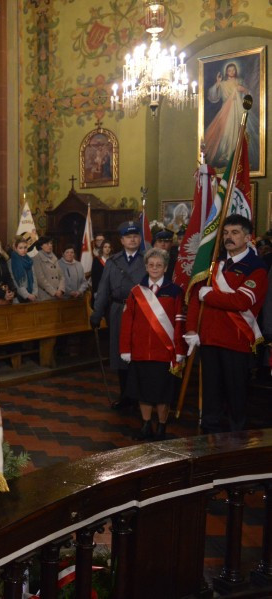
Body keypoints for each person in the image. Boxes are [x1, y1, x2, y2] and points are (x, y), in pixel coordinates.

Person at [184, 214, 267, 433]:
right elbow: (195, 299)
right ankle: (209, 433)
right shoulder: (213, 263)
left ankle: (236, 436)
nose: (229, 237)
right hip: (209, 338)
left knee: (235, 391)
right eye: (226, 233)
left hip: (235, 340)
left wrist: (209, 295)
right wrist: (191, 329)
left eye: (235, 233)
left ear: (247, 238)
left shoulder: (256, 267)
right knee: (210, 390)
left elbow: (241, 301)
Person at [119, 249, 185, 441]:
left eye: (159, 265)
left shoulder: (175, 291)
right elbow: (127, 321)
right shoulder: (136, 292)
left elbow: (179, 323)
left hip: (164, 353)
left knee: (163, 393)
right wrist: (125, 348)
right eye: (151, 265)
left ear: (165, 267)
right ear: (146, 267)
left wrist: (179, 350)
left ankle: (162, 426)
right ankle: (146, 424)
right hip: (140, 352)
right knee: (143, 392)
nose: (155, 268)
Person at [90, 222, 146, 408]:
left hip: (141, 311)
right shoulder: (113, 261)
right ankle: (125, 397)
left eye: (135, 236)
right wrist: (97, 313)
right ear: (122, 240)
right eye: (128, 237)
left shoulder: (148, 259)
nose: (132, 239)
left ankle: (139, 397)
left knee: (138, 354)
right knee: (120, 354)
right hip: (118, 311)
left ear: (140, 238)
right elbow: (103, 289)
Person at [204, 62, 255, 168]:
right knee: (226, 131)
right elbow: (212, 96)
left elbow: (248, 95)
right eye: (229, 70)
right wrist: (218, 83)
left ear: (236, 71)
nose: (232, 72)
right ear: (226, 72)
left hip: (238, 109)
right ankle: (226, 154)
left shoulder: (240, 82)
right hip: (226, 111)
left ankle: (237, 155)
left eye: (233, 70)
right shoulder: (222, 84)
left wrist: (244, 90)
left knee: (238, 131)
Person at [9, 237, 37, 303]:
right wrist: (27, 295)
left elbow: (34, 277)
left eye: (25, 247)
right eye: (20, 248)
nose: (23, 250)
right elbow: (15, 281)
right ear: (16, 248)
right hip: (19, 297)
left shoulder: (29, 260)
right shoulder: (11, 262)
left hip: (31, 294)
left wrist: (34, 293)